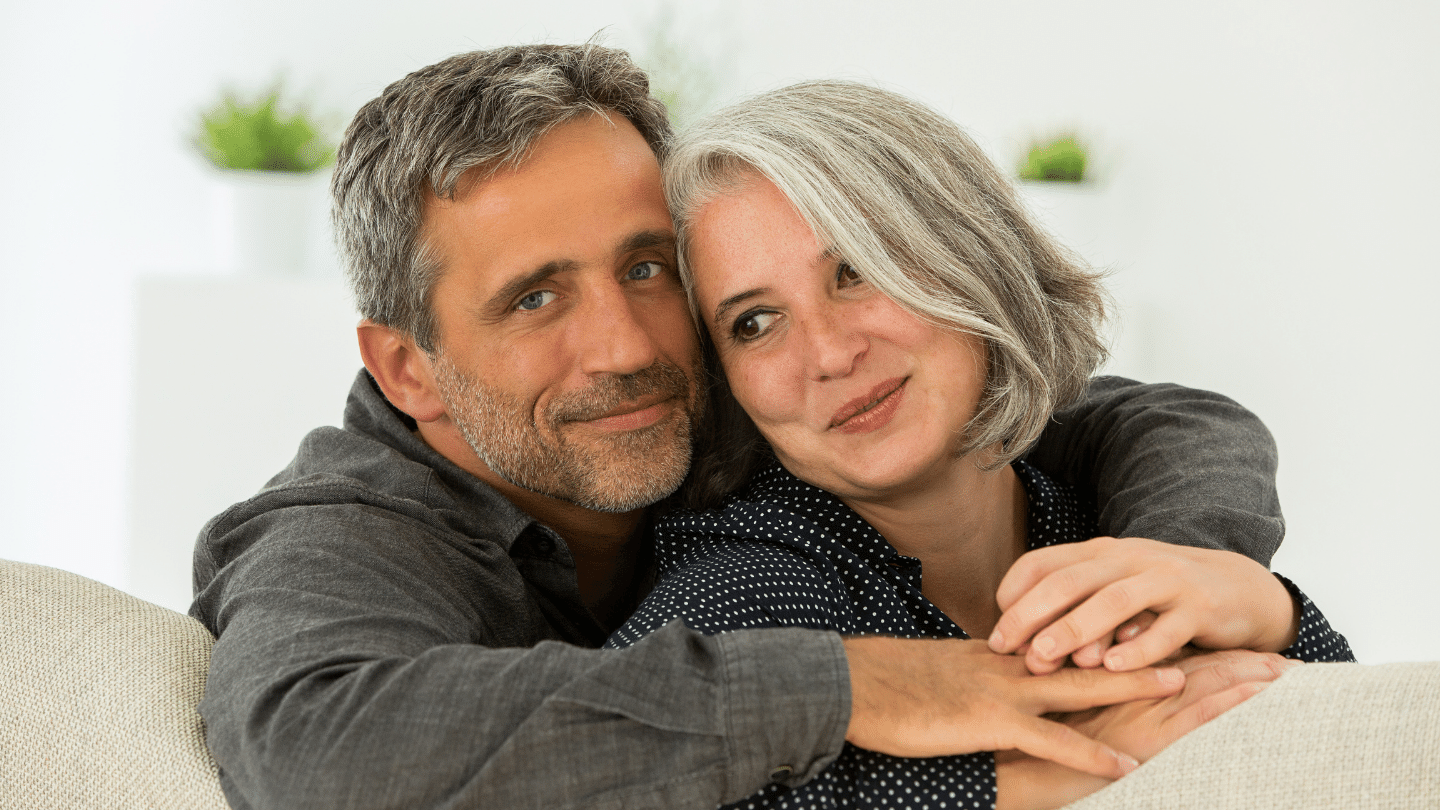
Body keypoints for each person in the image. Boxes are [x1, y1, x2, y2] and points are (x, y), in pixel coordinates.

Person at [191, 44, 1299, 810]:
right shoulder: (346, 535)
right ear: (406, 368)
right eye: (536, 298)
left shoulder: (712, 396)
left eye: (647, 267)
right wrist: (853, 686)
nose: (625, 344)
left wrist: (1196, 562)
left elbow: (1124, 416)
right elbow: (317, 749)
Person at [605, 79, 1353, 810]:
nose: (829, 354)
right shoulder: (736, 598)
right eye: (755, 323)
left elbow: (1354, 761)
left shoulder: (1090, 512)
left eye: (855, 271)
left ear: (971, 254)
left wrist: (1270, 608)